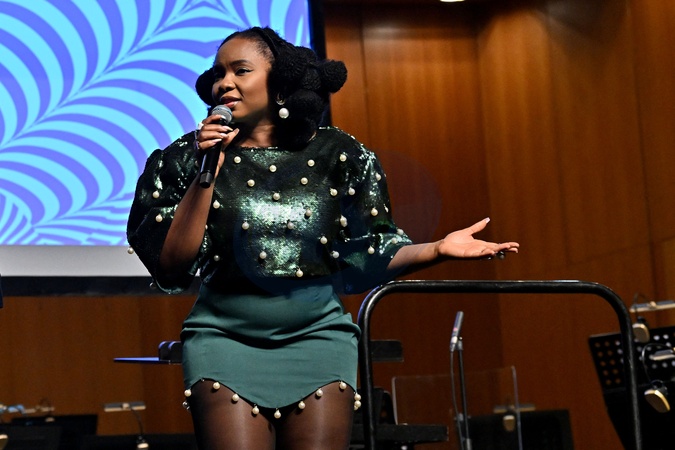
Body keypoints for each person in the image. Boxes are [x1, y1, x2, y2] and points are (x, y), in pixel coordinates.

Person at [127, 26, 519, 450]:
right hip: (224, 340)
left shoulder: (340, 154)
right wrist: (208, 168)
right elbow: (173, 263)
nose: (224, 83)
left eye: (240, 70)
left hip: (318, 339)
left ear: (280, 82)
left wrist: (438, 249)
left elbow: (371, 253)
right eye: (218, 73)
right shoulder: (187, 157)